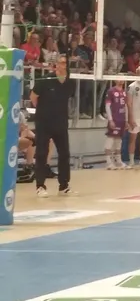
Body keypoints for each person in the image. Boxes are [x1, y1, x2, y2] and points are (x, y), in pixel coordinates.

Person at [30, 54, 75, 197]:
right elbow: (33, 97)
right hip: (44, 122)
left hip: (61, 122)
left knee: (64, 154)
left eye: (66, 63)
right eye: (61, 63)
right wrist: (43, 111)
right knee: (42, 153)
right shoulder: (46, 80)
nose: (64, 66)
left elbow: (68, 99)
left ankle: (63, 186)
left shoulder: (70, 83)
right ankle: (40, 186)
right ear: (56, 65)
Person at [104, 78, 128, 170]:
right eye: (119, 78)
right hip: (114, 118)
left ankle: (118, 161)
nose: (121, 80)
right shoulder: (111, 91)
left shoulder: (124, 92)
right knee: (110, 140)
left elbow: (125, 106)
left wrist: (126, 120)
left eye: (123, 78)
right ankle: (108, 162)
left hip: (121, 119)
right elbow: (107, 105)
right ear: (114, 80)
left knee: (118, 141)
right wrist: (110, 120)